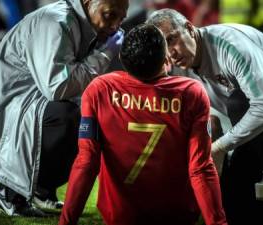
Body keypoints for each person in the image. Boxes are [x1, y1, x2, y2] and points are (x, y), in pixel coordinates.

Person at [146, 9, 263, 225]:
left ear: (189, 28)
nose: (171, 52)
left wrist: (219, 147)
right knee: (257, 177)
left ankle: (241, 210)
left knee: (239, 160)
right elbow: (203, 120)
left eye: (172, 39)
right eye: (164, 46)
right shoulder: (180, 67)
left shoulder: (230, 46)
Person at [0, 0, 128, 217]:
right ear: (88, 3)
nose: (115, 25)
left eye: (121, 18)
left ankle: (42, 190)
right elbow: (58, 87)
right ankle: (9, 193)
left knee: (92, 115)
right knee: (69, 118)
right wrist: (104, 55)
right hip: (4, 108)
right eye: (109, 15)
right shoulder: (56, 21)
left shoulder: (81, 22)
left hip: (28, 103)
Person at [59, 24, 228, 225]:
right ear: (166, 59)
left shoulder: (99, 90)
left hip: (120, 216)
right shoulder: (191, 93)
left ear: (121, 58)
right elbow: (200, 167)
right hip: (177, 216)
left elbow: (87, 162)